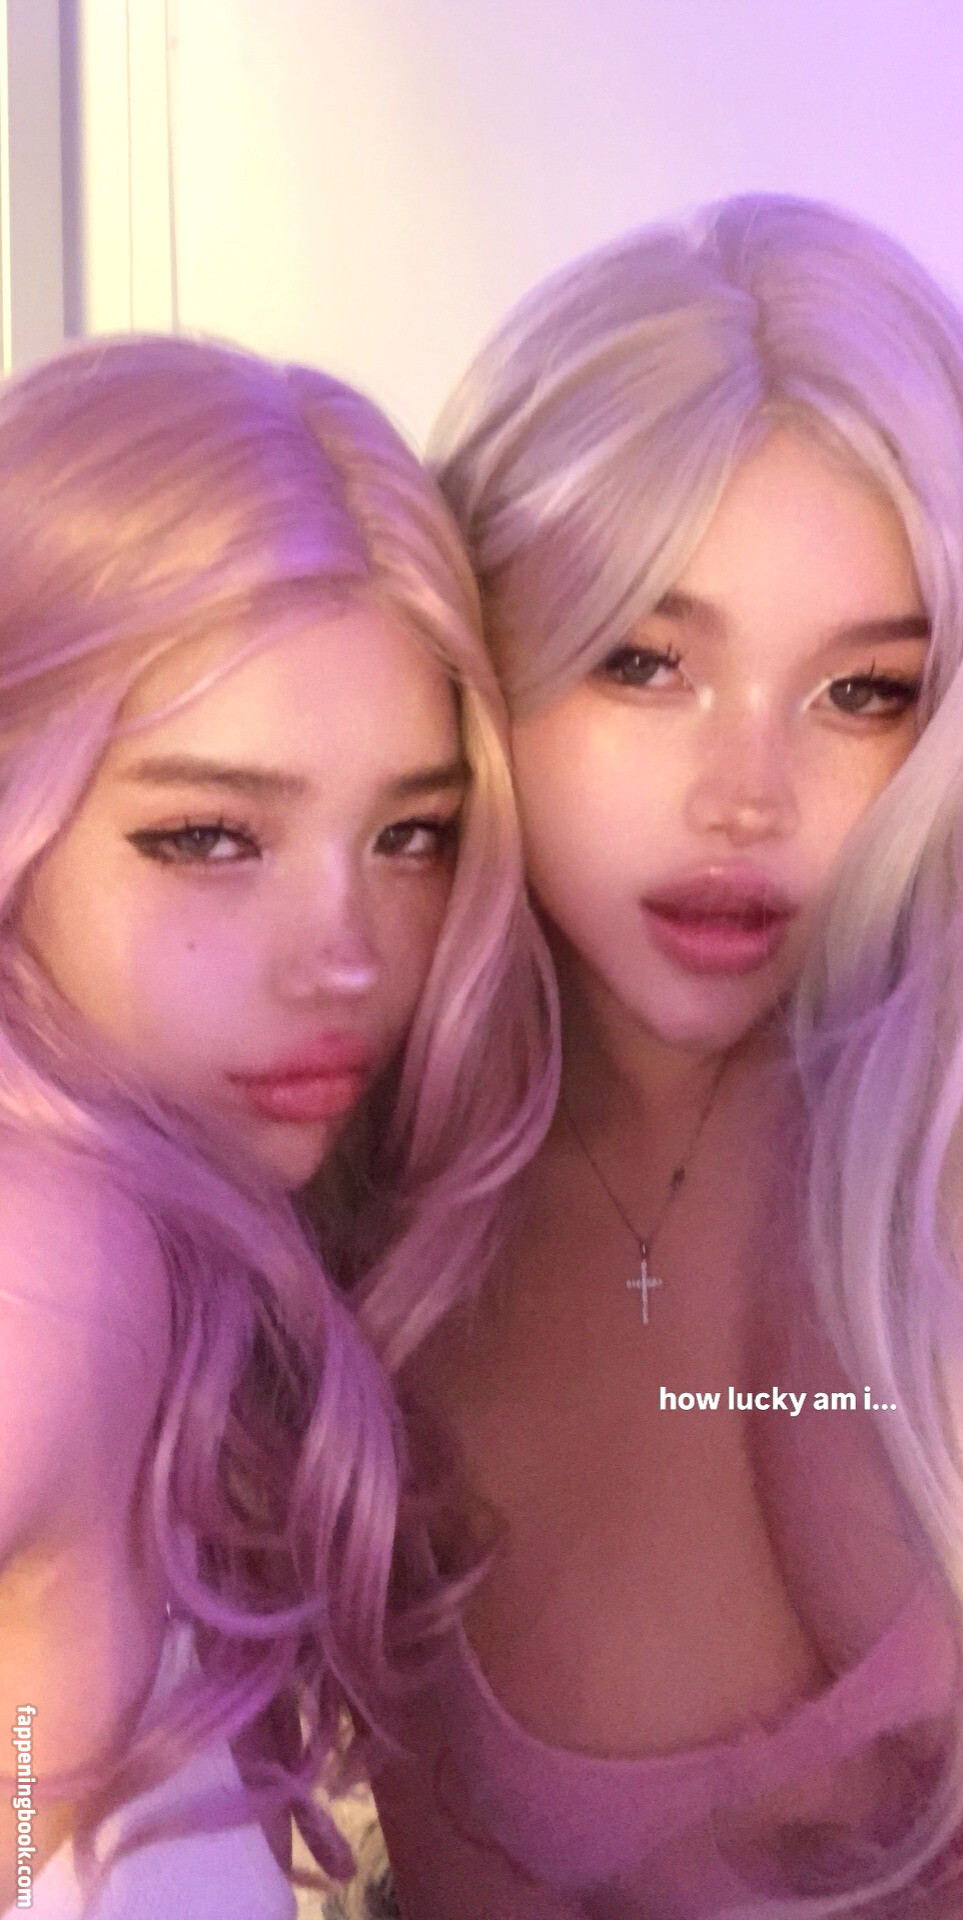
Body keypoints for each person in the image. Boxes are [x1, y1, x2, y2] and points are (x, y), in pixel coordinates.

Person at [367, 196, 963, 1916]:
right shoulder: (365, 1202)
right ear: (480, 653)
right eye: (644, 662)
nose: (745, 795)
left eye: (863, 693)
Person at [0, 334, 553, 1919]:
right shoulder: (52, 1258)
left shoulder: (174, 1258)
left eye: (412, 835)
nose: (349, 957)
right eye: (209, 837)